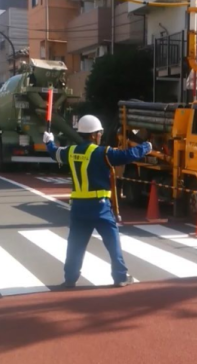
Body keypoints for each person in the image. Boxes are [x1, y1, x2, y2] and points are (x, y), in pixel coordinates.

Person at [44, 114, 152, 288]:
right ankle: (120, 276)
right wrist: (146, 147)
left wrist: (49, 141)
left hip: (78, 208)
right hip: (100, 207)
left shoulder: (70, 152)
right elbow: (126, 155)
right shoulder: (102, 152)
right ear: (94, 135)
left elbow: (54, 153)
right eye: (99, 133)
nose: (101, 135)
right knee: (112, 242)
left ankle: (70, 279)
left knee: (75, 245)